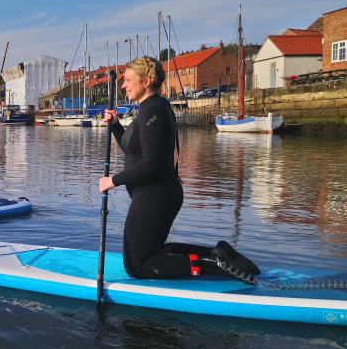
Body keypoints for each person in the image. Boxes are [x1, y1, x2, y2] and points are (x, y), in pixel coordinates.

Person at [99, 56, 260, 284]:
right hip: (154, 194)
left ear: (146, 81)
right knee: (150, 253)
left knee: (137, 266)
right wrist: (115, 125)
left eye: (127, 80)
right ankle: (216, 254)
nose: (123, 85)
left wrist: (113, 181)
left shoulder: (152, 111)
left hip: (156, 195)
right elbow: (132, 149)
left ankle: (214, 265)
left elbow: (152, 162)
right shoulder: (151, 109)